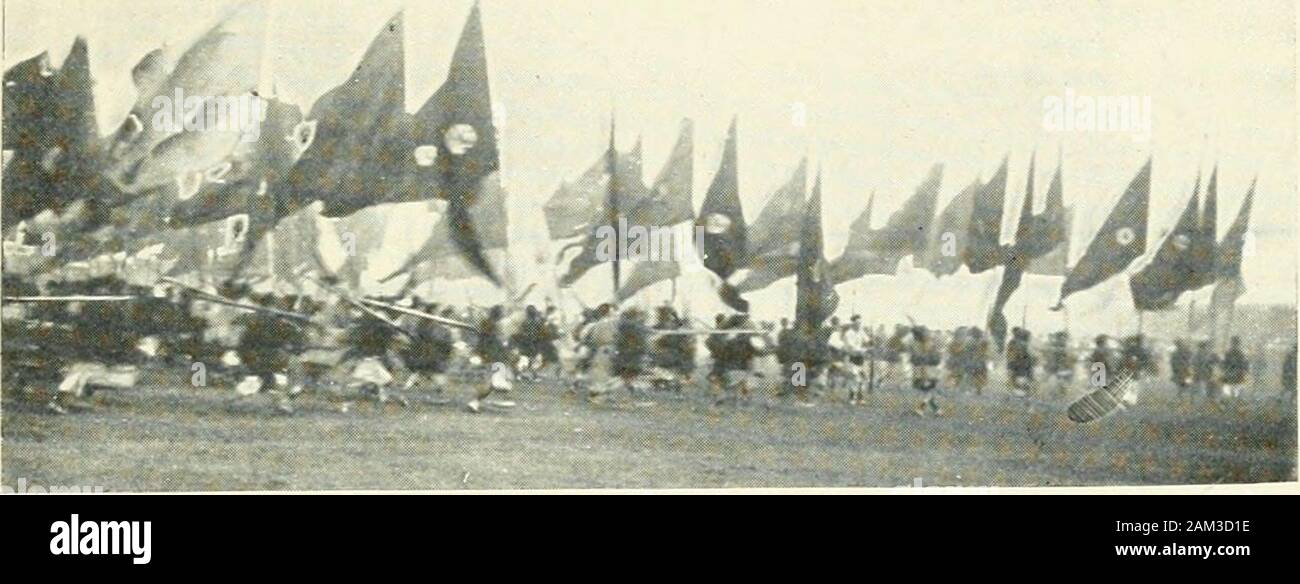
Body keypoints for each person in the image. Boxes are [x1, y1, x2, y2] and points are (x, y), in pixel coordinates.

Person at [469, 305, 515, 413]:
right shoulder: (491, 326)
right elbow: (494, 342)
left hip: (493, 356)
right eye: (502, 313)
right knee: (498, 381)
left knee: (494, 382)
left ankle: (475, 402)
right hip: (495, 357)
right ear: (498, 314)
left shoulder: (489, 324)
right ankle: (503, 398)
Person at [910, 326, 943, 416]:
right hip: (927, 371)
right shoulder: (926, 346)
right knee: (928, 391)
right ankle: (926, 408)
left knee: (927, 391)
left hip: (923, 371)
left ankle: (932, 409)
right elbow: (936, 360)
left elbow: (914, 359)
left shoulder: (917, 346)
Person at [1042, 331, 1076, 397]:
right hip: (1059, 368)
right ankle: (1059, 393)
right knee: (1060, 382)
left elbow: (1048, 356)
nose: (1063, 339)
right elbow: (1069, 358)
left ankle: (1057, 393)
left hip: (1056, 368)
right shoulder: (1063, 346)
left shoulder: (1054, 345)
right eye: (1063, 337)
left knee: (1056, 382)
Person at [1005, 327, 1036, 396]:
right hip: (1022, 362)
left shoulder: (1014, 342)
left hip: (1020, 362)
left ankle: (1020, 389)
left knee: (1017, 375)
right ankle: (1022, 389)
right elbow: (1010, 353)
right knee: (1024, 375)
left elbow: (1010, 354)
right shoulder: (1017, 342)